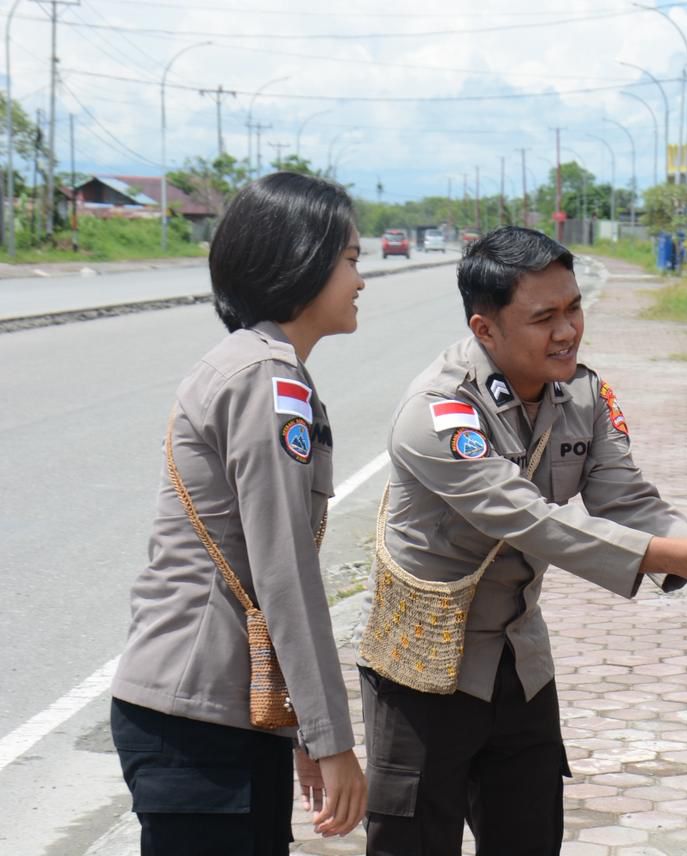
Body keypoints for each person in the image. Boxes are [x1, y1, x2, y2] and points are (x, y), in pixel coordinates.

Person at [361, 225, 687, 855]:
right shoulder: (438, 410)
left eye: (574, 308)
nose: (568, 331)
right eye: (544, 317)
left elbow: (627, 500)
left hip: (520, 664)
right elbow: (529, 519)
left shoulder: (583, 394)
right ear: (485, 329)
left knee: (530, 838)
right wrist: (674, 557)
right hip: (423, 668)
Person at [110, 172, 368, 855]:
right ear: (301, 262)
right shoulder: (265, 378)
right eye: (350, 260)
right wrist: (329, 736)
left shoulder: (265, 366)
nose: (361, 280)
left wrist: (296, 729)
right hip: (197, 721)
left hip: (220, 710)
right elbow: (284, 573)